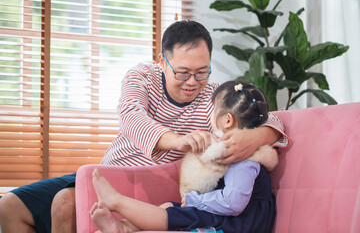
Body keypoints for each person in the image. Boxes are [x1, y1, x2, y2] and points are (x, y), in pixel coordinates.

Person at [0, 20, 288, 233]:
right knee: (9, 207)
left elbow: (264, 116)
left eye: (202, 71)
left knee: (65, 202)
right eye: (183, 72)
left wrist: (256, 137)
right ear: (162, 62)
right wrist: (175, 140)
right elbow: (131, 115)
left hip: (153, 181)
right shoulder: (142, 77)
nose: (192, 82)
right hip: (111, 169)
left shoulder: (214, 98)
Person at [89, 81, 277, 233]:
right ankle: (124, 228)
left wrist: (197, 200)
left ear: (227, 120)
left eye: (213, 109)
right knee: (170, 206)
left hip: (241, 225)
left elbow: (233, 203)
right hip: (233, 217)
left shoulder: (244, 158)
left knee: (178, 214)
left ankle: (118, 202)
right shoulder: (232, 148)